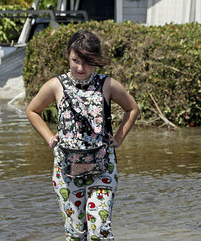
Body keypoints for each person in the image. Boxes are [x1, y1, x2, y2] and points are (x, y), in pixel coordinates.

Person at [26, 30, 139, 241]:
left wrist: (120, 137)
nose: (80, 67)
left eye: (87, 62)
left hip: (103, 167)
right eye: (75, 60)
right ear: (68, 56)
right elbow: (33, 111)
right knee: (76, 234)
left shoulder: (107, 85)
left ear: (95, 60)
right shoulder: (55, 85)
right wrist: (50, 138)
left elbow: (132, 108)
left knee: (99, 230)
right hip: (66, 169)